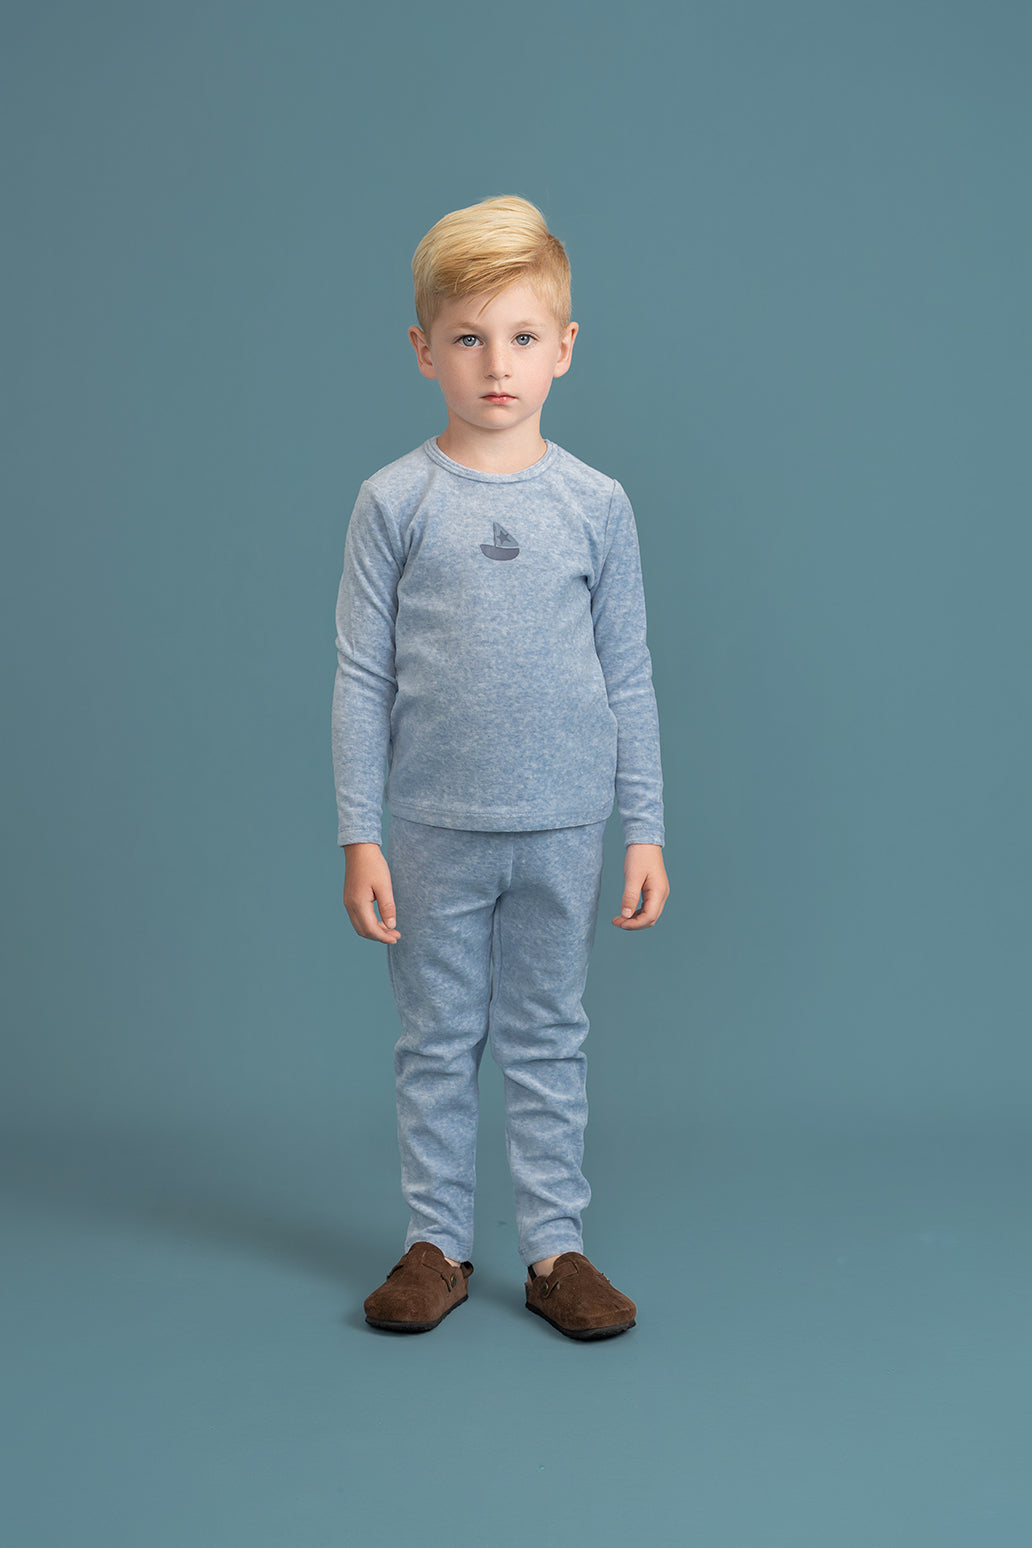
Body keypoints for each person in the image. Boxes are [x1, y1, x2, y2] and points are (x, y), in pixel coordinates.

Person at [331, 196, 669, 1340]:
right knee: (436, 1039)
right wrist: (359, 834)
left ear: (563, 348)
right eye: (468, 337)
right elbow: (360, 677)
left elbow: (629, 675)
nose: (496, 364)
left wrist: (645, 829)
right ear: (423, 349)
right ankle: (436, 1246)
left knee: (547, 1037)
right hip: (432, 826)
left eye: (522, 337)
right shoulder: (395, 501)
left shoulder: (596, 504)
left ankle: (555, 1252)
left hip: (566, 826)